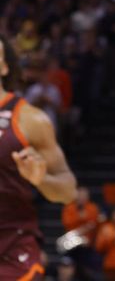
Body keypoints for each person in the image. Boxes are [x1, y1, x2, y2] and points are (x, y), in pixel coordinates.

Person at [0, 34, 77, 280]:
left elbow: (68, 191)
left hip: (12, 250)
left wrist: (40, 179)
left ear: (4, 66)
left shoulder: (29, 119)